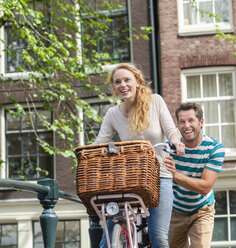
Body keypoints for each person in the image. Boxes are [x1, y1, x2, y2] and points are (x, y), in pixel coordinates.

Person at [94, 63, 185, 248]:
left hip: (159, 175)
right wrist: (88, 154)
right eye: (117, 82)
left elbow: (171, 130)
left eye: (127, 80)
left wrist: (176, 141)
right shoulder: (113, 114)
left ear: (137, 81)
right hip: (129, 178)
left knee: (158, 237)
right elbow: (99, 143)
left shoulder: (155, 102)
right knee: (106, 240)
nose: (122, 85)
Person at [164, 102, 225, 248]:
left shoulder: (214, 149)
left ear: (201, 122)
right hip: (175, 210)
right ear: (177, 125)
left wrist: (175, 175)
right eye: (182, 122)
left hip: (201, 210)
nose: (186, 126)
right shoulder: (169, 148)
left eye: (191, 120)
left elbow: (205, 187)